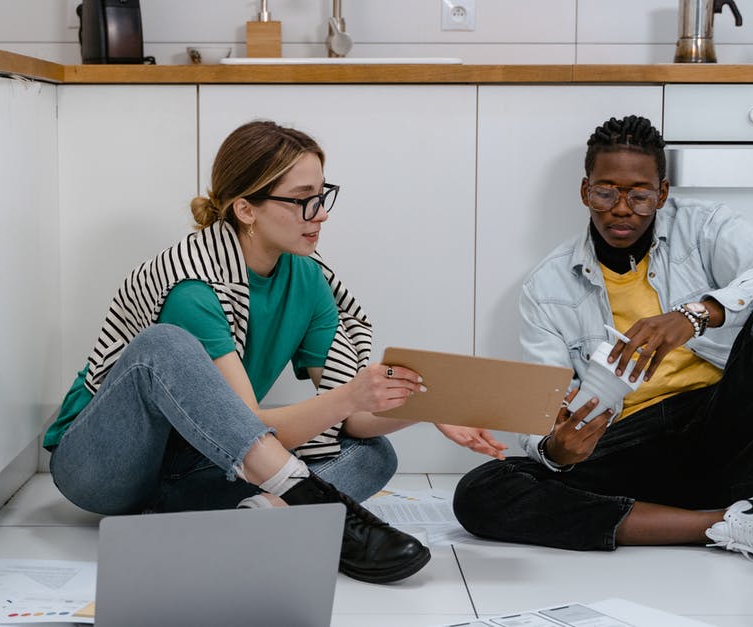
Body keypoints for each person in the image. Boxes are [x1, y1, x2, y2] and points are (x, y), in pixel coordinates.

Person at [45, 120, 505, 585]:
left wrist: (431, 404)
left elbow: (351, 419)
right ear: (246, 209)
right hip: (104, 465)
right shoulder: (194, 286)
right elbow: (245, 430)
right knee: (162, 344)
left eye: (323, 196)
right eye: (303, 199)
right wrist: (350, 396)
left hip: (194, 467)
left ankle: (257, 516)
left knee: (373, 453)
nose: (320, 214)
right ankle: (308, 506)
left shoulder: (307, 277)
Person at [452, 115, 753, 622]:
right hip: (628, 447)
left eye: (640, 195)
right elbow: (541, 412)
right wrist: (558, 449)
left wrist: (696, 314)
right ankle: (735, 525)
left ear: (662, 194)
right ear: (584, 190)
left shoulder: (704, 228)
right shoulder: (547, 286)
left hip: (722, 426)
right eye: (606, 193)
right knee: (481, 493)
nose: (622, 209)